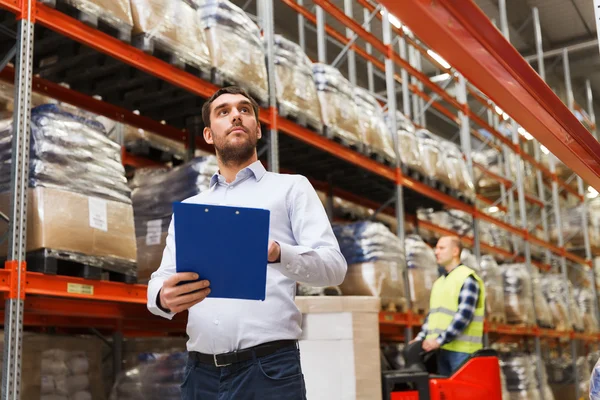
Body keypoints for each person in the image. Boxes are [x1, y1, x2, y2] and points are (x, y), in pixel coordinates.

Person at [147, 86, 347, 400]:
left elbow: (334, 268)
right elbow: (160, 277)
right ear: (210, 135)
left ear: (257, 129)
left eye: (245, 110)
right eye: (223, 112)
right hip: (200, 376)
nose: (236, 115)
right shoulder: (192, 209)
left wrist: (279, 252)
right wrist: (162, 297)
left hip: (268, 372)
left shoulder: (290, 189)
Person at [410, 236, 485, 376]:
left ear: (455, 251)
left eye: (441, 248)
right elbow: (433, 316)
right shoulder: (440, 282)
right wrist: (420, 338)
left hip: (463, 352)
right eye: (436, 248)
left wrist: (439, 340)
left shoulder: (467, 278)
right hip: (442, 350)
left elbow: (464, 316)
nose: (436, 252)